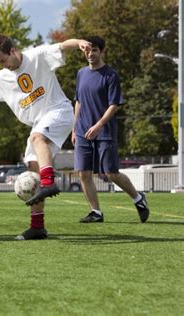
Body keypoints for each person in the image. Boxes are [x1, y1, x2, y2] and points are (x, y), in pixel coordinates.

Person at [0, 33, 91, 240]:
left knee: (37, 139)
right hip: (39, 123)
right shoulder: (2, 78)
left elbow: (62, 46)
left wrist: (79, 42)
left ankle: (49, 182)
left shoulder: (37, 55)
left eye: (3, 60)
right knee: (34, 168)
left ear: (13, 51)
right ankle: (37, 226)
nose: (3, 66)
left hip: (58, 111)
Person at [72, 35, 150, 223]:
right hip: (83, 131)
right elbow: (78, 101)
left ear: (102, 51)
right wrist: (74, 129)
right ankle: (96, 212)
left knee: (111, 173)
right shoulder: (81, 73)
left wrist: (99, 125)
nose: (90, 54)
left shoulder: (111, 75)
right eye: (87, 50)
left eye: (95, 50)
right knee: (83, 172)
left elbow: (114, 105)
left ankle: (138, 199)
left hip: (104, 131)